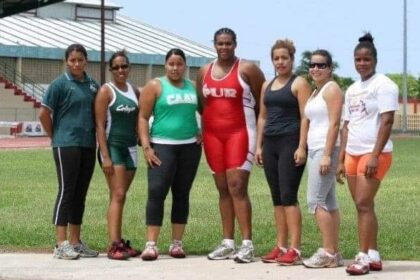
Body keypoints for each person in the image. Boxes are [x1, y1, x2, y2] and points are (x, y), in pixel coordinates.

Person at [196, 27, 265, 263]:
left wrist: (260, 138)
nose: (224, 47)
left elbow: (261, 104)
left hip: (240, 133)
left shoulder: (248, 69)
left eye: (228, 43)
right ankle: (227, 242)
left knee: (237, 187)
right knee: (223, 188)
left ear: (235, 44)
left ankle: (247, 244)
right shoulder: (204, 71)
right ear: (214, 44)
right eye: (220, 43)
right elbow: (202, 105)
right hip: (213, 136)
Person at [337, 33, 399, 276]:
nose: (362, 63)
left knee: (363, 204)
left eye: (366, 59)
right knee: (363, 205)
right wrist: (341, 158)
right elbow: (346, 125)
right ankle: (373, 254)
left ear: (375, 59)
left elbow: (387, 120)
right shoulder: (352, 88)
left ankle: (362, 257)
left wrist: (375, 154)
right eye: (358, 59)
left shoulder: (384, 85)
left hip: (375, 153)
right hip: (352, 151)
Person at [138, 48, 202, 261]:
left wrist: (203, 131)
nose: (175, 68)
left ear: (185, 66)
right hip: (162, 147)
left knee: (181, 194)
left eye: (179, 64)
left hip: (189, 148)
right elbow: (143, 117)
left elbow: (207, 112)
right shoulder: (155, 86)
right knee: (156, 193)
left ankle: (176, 244)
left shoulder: (193, 88)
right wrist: (147, 147)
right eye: (171, 64)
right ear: (165, 65)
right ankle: (151, 245)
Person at [39, 43, 99, 260]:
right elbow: (43, 113)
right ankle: (60, 243)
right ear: (67, 61)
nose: (76, 64)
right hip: (66, 144)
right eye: (72, 60)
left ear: (86, 61)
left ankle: (75, 242)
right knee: (67, 191)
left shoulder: (93, 85)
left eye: (80, 60)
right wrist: (55, 136)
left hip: (88, 144)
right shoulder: (59, 84)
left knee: (80, 194)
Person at [255, 39, 311, 265]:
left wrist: (301, 146)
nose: (280, 62)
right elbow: (262, 117)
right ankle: (281, 245)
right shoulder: (266, 85)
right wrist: (258, 146)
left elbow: (306, 116)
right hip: (270, 143)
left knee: (289, 196)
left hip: (290, 142)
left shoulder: (300, 83)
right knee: (277, 198)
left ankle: (295, 249)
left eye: (284, 58)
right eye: (276, 58)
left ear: (292, 59)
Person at [95, 50, 141, 260]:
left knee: (119, 197)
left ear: (129, 67)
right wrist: (105, 156)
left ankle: (120, 242)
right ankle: (114, 245)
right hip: (112, 147)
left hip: (131, 149)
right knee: (118, 194)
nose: (121, 70)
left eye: (124, 66)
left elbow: (140, 121)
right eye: (117, 67)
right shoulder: (106, 91)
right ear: (110, 70)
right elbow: (99, 125)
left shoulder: (134, 91)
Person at [302, 49, 344, 268]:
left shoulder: (332, 89)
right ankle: (334, 253)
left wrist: (328, 155)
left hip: (325, 150)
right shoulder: (315, 91)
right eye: (313, 65)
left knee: (315, 200)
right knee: (329, 202)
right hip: (315, 149)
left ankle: (327, 252)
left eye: (321, 65)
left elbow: (335, 124)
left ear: (330, 68)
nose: (316, 69)